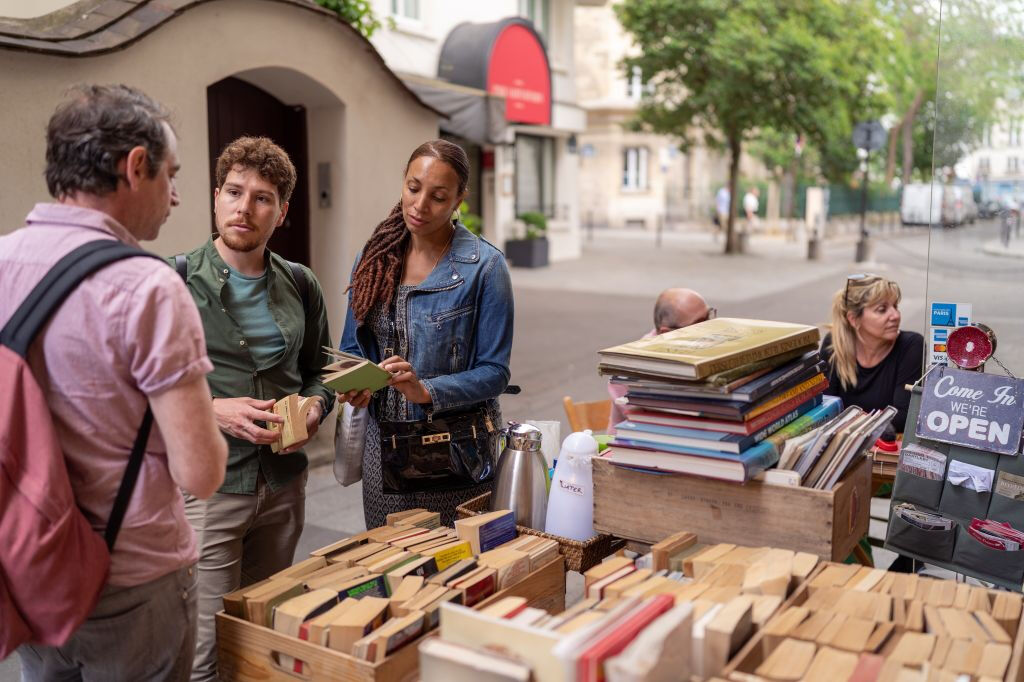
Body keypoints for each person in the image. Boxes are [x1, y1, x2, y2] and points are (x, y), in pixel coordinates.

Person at [0, 85, 226, 681]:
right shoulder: (149, 287)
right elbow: (200, 473)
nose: (176, 196)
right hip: (132, 580)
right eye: (170, 175)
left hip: (30, 564)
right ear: (135, 167)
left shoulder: (2, 260)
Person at [175, 136, 335, 682]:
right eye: (235, 192)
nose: (245, 208)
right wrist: (213, 409)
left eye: (262, 198)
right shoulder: (174, 281)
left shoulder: (300, 283)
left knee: (261, 635)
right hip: (211, 489)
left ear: (282, 212)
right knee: (206, 648)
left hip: (285, 484)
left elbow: (321, 372)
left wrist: (315, 408)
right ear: (216, 197)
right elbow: (137, 388)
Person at [338, 139, 514, 529]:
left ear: (459, 199)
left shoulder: (485, 266)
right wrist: (355, 383)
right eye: (413, 188)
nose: (419, 206)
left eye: (437, 196)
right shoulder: (373, 258)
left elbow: (495, 371)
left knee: (459, 570)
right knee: (393, 566)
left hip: (457, 449)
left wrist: (427, 391)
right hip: (383, 448)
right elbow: (351, 348)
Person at [820, 274, 924, 435]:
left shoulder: (911, 345)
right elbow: (825, 409)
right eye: (882, 310)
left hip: (883, 451)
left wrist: (850, 424)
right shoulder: (834, 344)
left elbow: (904, 417)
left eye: (895, 306)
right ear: (854, 319)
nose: (895, 316)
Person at [607, 288, 715, 430]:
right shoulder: (632, 370)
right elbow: (660, 426)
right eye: (700, 324)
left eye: (709, 316)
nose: (711, 329)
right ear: (667, 333)